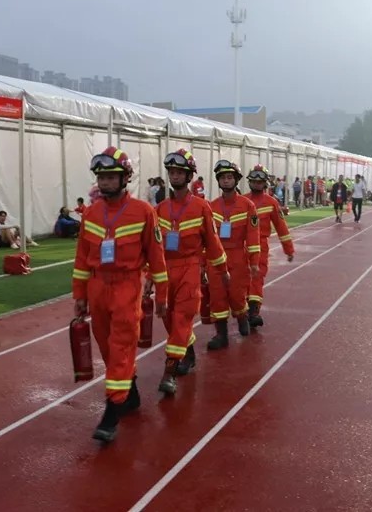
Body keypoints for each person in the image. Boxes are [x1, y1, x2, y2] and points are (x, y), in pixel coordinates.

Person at [71, 147, 168, 442]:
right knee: (106, 346)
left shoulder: (144, 212)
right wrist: (80, 294)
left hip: (128, 286)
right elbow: (82, 257)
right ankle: (131, 391)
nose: (106, 182)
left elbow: (157, 256)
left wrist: (161, 294)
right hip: (97, 286)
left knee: (121, 345)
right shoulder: (91, 213)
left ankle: (112, 412)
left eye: (112, 177)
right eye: (101, 177)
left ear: (125, 178)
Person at [151, 149, 228, 395]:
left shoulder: (201, 207)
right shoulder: (160, 209)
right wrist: (148, 277)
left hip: (190, 267)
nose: (174, 176)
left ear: (189, 176)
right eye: (171, 172)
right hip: (165, 271)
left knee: (183, 317)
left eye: (179, 172)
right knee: (170, 319)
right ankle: (189, 354)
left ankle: (169, 372)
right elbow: (151, 247)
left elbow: (214, 243)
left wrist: (222, 269)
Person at [206, 160, 260, 349]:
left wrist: (254, 262)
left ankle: (242, 316)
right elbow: (205, 237)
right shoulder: (210, 207)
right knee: (217, 296)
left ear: (236, 180)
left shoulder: (248, 206)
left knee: (237, 295)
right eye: (222, 178)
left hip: (238, 257)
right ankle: (221, 335)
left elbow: (253, 236)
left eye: (229, 177)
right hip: (215, 259)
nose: (226, 181)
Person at [244, 165, 294, 327]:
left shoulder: (271, 202)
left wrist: (289, 249)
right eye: (254, 181)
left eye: (260, 182)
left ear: (265, 183)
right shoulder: (242, 201)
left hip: (261, 247)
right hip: (241, 247)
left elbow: (281, 228)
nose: (257, 184)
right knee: (242, 279)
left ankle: (253, 312)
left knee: (257, 277)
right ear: (249, 182)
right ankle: (243, 310)